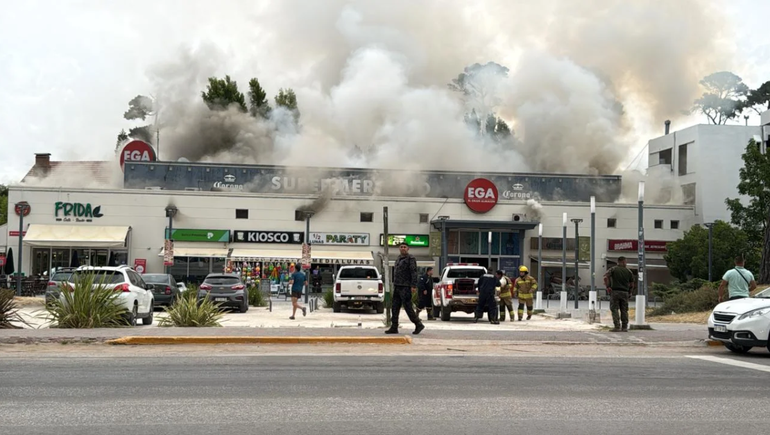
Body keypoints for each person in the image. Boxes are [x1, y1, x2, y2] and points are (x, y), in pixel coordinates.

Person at [385, 242, 424, 335]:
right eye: (401, 247)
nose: (403, 248)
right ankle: (394, 326)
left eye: (405, 247)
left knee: (408, 307)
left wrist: (413, 285)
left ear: (408, 249)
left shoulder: (410, 258)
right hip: (398, 286)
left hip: (405, 286)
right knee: (395, 307)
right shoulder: (398, 258)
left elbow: (413, 272)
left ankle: (418, 324)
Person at [603, 256, 635, 332]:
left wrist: (608, 286)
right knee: (624, 310)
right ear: (623, 262)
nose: (626, 263)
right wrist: (630, 292)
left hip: (615, 292)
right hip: (625, 292)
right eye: (625, 262)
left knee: (614, 309)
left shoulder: (613, 269)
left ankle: (617, 326)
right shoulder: (629, 271)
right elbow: (632, 284)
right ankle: (624, 327)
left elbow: (605, 277)